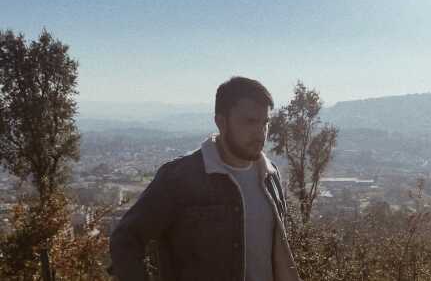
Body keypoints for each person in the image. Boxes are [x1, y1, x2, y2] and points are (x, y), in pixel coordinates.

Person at [109, 76, 301, 281]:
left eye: (265, 123)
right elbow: (125, 240)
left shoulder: (270, 176)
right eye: (250, 122)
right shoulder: (179, 178)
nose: (260, 133)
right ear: (221, 122)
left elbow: (277, 255)